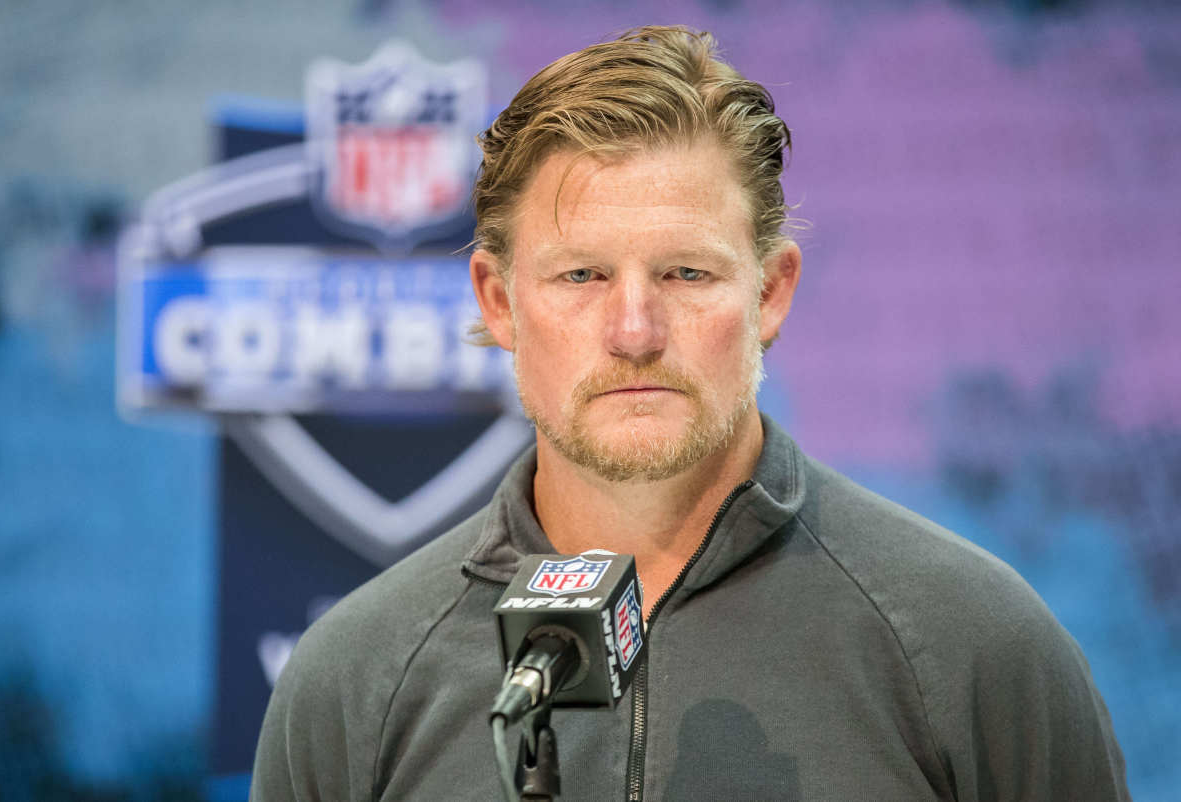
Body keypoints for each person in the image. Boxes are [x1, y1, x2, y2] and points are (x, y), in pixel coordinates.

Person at [250, 26, 1129, 801]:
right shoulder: (352, 681)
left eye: (687, 274)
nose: (635, 333)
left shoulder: (975, 647)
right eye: (582, 276)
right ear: (500, 299)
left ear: (771, 293)